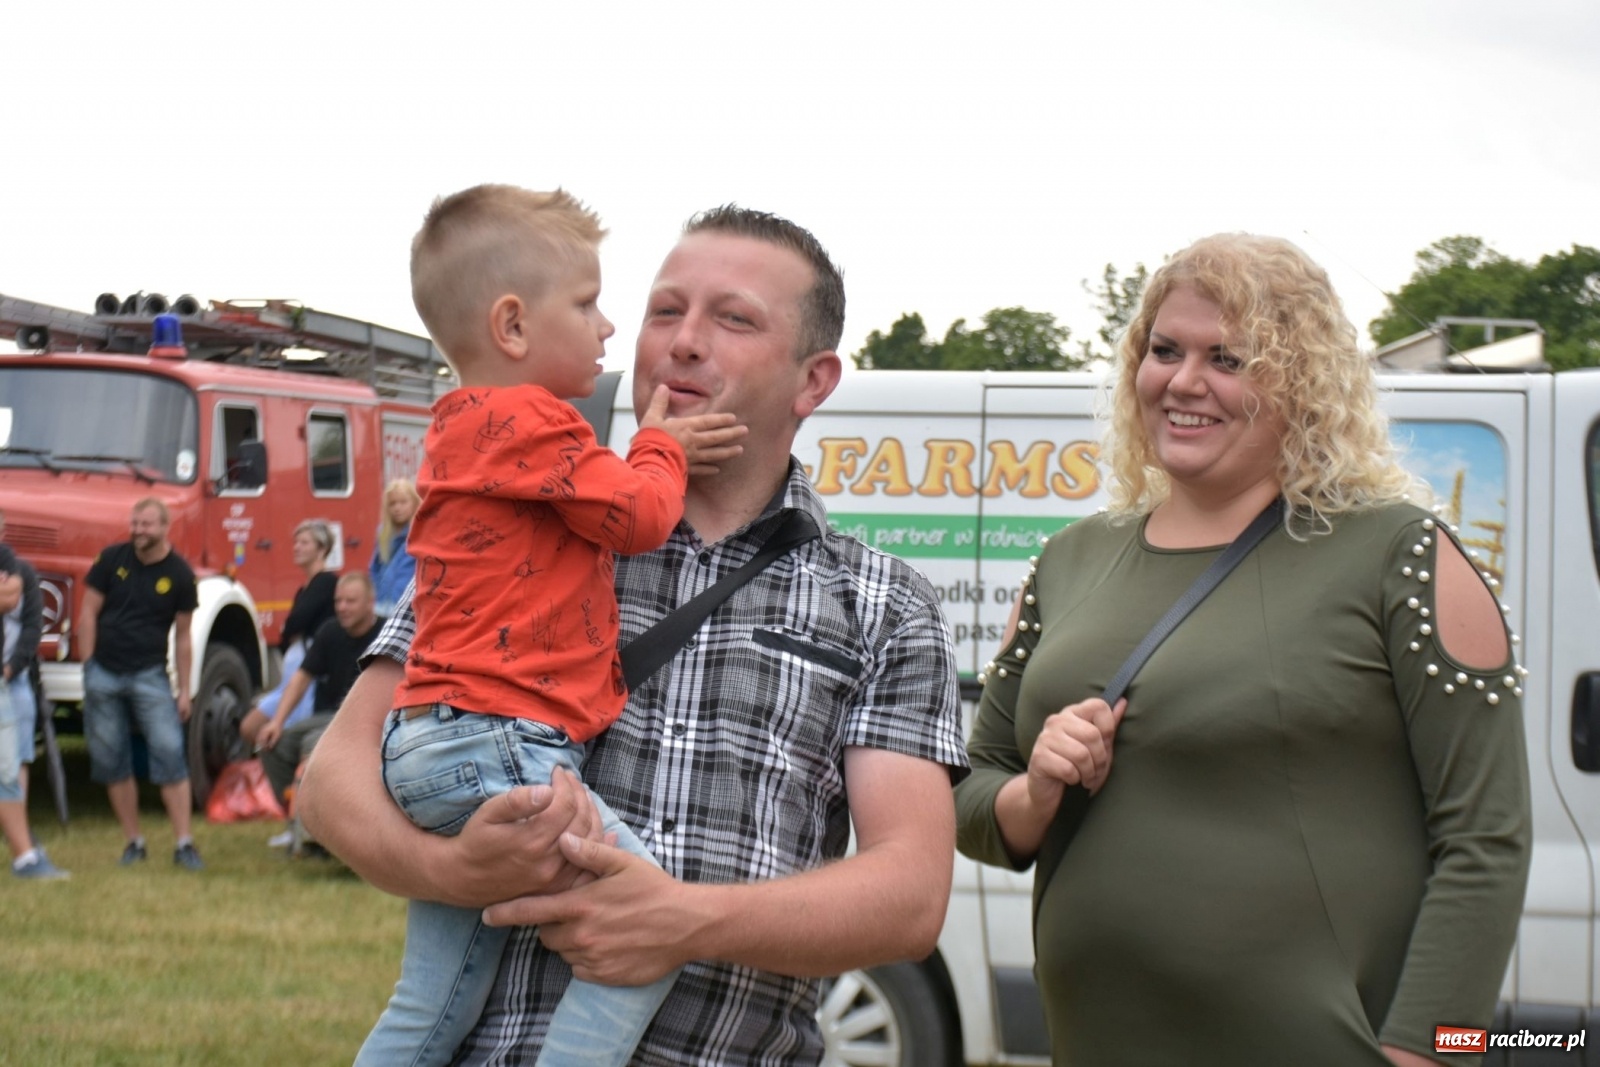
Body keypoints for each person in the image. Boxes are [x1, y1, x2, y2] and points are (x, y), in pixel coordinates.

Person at [300, 205, 967, 1067]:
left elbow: (908, 898)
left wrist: (682, 919)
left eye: (732, 318)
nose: (684, 342)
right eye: (664, 311)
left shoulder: (885, 604)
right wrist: (452, 874)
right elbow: (329, 784)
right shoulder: (514, 521)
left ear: (814, 381)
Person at [954, 233, 1533, 1067]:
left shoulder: (1401, 553)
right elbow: (971, 793)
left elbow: (1488, 840)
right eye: (1165, 350)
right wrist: (1036, 791)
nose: (1185, 381)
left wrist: (1436, 1054)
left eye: (1230, 358)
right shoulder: (1070, 558)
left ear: (1304, 382)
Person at [356, 185, 747, 1067]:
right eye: (588, 303)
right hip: (504, 747)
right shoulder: (532, 420)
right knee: (645, 934)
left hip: (433, 745)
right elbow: (639, 517)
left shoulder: (462, 427)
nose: (608, 328)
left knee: (433, 999)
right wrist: (662, 446)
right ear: (513, 326)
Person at [80, 498, 204, 870]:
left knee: (169, 753)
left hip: (150, 675)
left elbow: (183, 638)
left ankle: (184, 844)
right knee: (111, 759)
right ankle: (133, 842)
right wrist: (88, 666)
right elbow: (88, 611)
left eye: (146, 524)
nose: (138, 530)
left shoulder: (180, 575)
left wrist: (184, 690)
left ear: (165, 527)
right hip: (102, 672)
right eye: (135, 523)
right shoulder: (111, 559)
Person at [254, 571, 384, 809]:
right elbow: (301, 678)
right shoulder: (329, 631)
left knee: (312, 747)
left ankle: (312, 834)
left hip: (367, 722)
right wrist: (277, 722)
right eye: (338, 601)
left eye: (350, 601)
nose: (342, 607)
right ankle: (296, 816)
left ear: (370, 604)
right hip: (326, 717)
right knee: (271, 745)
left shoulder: (386, 636)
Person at [0, 541, 68, 880]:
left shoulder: (18, 568)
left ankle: (22, 844)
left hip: (12, 680)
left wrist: (10, 670)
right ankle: (24, 855)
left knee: (13, 764)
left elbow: (24, 616)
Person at [240, 518, 337, 746]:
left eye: (304, 542)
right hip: (290, 677)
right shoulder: (304, 588)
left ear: (322, 549)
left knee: (286, 738)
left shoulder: (326, 582)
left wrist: (289, 629)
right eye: (296, 542)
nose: (297, 547)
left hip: (308, 681)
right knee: (249, 727)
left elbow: (295, 622)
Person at [370, 479, 420, 617]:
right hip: (382, 604)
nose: (397, 508)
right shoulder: (384, 533)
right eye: (392, 503)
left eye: (403, 502)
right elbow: (374, 567)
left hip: (409, 606)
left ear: (415, 503)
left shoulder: (420, 532)